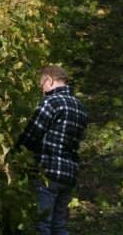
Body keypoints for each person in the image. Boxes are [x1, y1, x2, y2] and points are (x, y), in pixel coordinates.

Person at [16, 65, 87, 235]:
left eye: (42, 86)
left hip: (48, 172)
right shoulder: (80, 107)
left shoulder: (51, 102)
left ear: (49, 80)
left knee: (42, 225)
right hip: (68, 174)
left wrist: (15, 155)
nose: (43, 91)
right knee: (58, 226)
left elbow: (31, 135)